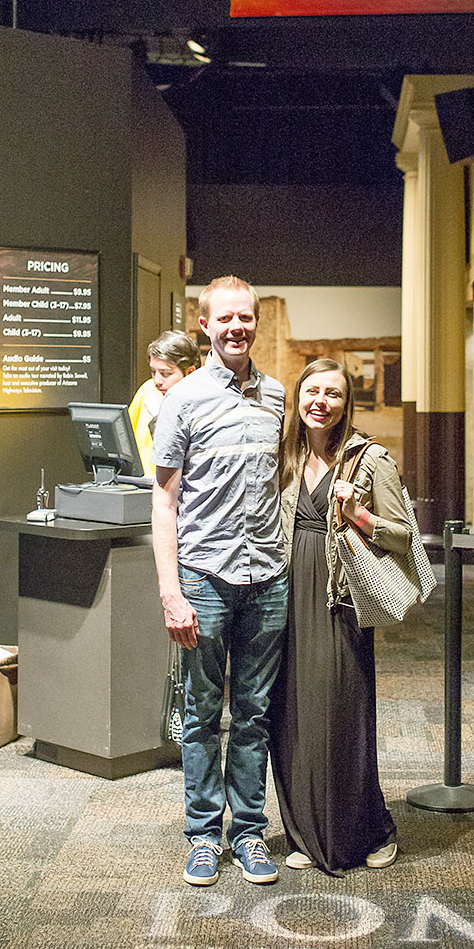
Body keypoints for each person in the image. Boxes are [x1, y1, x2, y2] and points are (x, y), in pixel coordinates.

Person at [151, 276, 287, 887]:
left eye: (246, 318)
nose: (236, 327)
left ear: (257, 322)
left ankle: (251, 832)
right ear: (203, 325)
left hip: (267, 579)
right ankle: (205, 835)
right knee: (203, 714)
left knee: (255, 713)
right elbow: (165, 503)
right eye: (224, 318)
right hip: (203, 577)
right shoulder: (182, 400)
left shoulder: (278, 397)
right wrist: (170, 591)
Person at [270, 356, 411, 875]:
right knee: (290, 714)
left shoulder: (369, 460)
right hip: (283, 593)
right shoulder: (283, 456)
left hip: (339, 598)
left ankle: (369, 828)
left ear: (347, 404)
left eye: (332, 394)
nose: (320, 402)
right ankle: (304, 830)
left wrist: (361, 516)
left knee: (341, 711)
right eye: (312, 391)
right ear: (298, 398)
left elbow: (404, 535)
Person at [128, 331, 201, 477]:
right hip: (141, 487)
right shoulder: (148, 389)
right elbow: (126, 437)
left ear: (190, 373)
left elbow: (174, 455)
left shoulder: (201, 404)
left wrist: (158, 417)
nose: (157, 381)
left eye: (166, 373)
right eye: (153, 372)